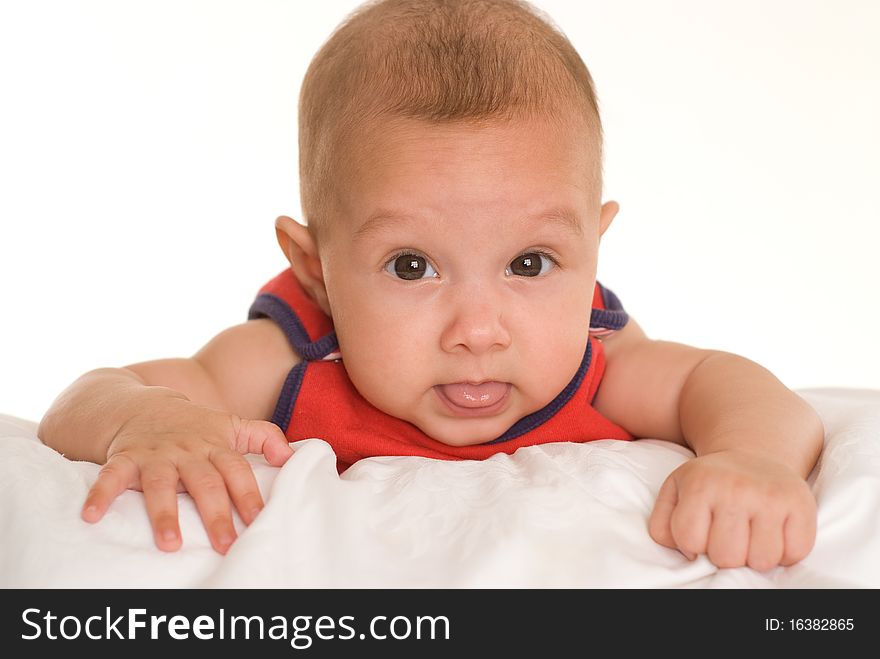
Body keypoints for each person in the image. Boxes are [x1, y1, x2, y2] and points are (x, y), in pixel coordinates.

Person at [38, 0, 824, 570]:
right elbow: (89, 396)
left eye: (529, 263)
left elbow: (730, 385)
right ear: (318, 269)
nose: (478, 329)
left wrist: (753, 458)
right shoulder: (292, 358)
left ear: (593, 249)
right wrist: (144, 417)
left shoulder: (596, 355)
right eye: (411, 266)